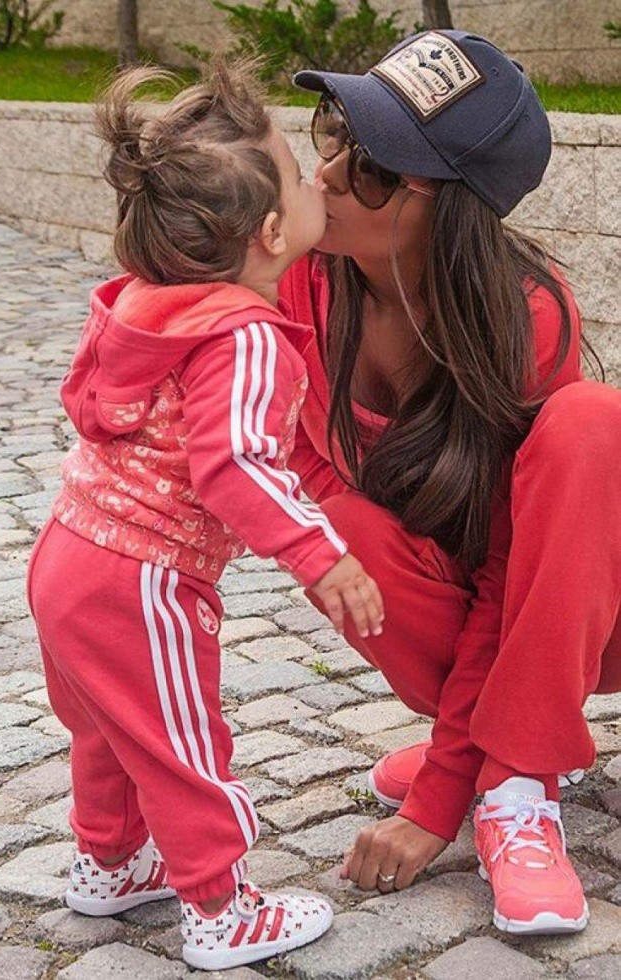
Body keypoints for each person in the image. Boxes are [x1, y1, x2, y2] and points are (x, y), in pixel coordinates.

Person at [26, 60, 385, 972]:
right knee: (182, 742)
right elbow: (234, 467)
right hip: (142, 576)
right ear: (272, 233)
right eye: (299, 175)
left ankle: (111, 863)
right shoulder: (246, 334)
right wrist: (322, 554)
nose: (318, 179)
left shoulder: (147, 304)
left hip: (67, 554)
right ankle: (222, 910)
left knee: (110, 729)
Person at [278, 29, 621, 935]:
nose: (329, 174)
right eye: (335, 134)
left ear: (452, 209)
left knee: (593, 422)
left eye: (374, 169)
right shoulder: (302, 285)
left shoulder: (524, 317)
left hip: (593, 609)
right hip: (474, 612)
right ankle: (487, 748)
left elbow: (516, 575)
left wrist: (438, 802)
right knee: (338, 530)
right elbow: (294, 469)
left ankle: (516, 786)